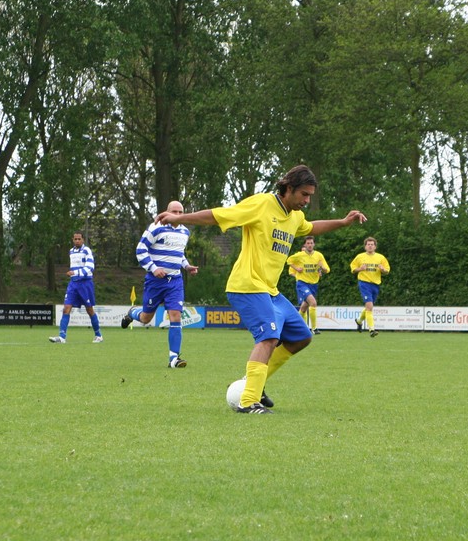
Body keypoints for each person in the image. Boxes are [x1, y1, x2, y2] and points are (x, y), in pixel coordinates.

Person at [154, 165, 365, 413]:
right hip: (247, 285)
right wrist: (179, 218)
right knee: (269, 337)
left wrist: (342, 222)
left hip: (270, 290)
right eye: (304, 194)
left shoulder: (295, 216)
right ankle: (248, 401)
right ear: (289, 188)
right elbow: (219, 215)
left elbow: (311, 227)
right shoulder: (262, 204)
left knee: (301, 337)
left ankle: (256, 383)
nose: (307, 201)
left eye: (310, 196)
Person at [121, 202, 199, 367]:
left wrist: (186, 266)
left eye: (180, 212)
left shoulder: (185, 231)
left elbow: (179, 254)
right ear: (166, 212)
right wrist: (154, 268)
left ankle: (174, 359)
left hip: (175, 281)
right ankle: (132, 312)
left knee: (176, 315)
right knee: (145, 318)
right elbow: (140, 249)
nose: (177, 215)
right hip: (155, 281)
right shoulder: (156, 227)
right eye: (174, 211)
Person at [49, 232, 104, 344]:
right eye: (75, 239)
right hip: (73, 284)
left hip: (85, 283)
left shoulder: (86, 250)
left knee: (89, 310)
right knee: (66, 308)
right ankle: (62, 337)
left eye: (79, 239)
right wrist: (73, 274)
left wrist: (76, 272)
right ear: (73, 240)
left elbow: (90, 267)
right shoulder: (71, 251)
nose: (77, 241)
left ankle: (98, 335)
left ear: (83, 240)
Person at [287, 236, 330, 334]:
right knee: (313, 303)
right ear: (305, 245)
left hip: (313, 284)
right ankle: (314, 328)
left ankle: (296, 327)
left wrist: (322, 268)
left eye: (311, 243)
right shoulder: (300, 255)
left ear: (314, 244)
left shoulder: (318, 255)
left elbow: (327, 269)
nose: (310, 245)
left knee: (303, 308)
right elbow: (288, 260)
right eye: (308, 243)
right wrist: (296, 268)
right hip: (302, 283)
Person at [350, 237, 390, 337]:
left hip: (375, 284)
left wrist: (383, 270)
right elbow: (353, 269)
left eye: (372, 244)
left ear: (375, 246)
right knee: (369, 306)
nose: (370, 246)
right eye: (368, 244)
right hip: (364, 283)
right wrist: (360, 269)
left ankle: (359, 321)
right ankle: (372, 329)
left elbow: (387, 270)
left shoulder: (380, 257)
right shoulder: (360, 257)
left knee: (369, 307)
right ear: (365, 246)